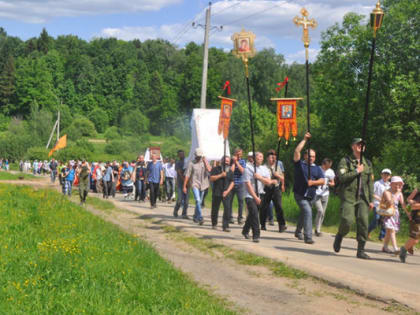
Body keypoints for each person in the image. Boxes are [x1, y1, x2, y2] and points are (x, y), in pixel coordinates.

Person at [333, 138, 374, 259]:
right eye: (358, 144)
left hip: (363, 198)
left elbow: (370, 183)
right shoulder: (345, 161)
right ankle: (340, 235)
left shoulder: (368, 163)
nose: (361, 146)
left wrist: (371, 200)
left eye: (363, 145)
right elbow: (342, 177)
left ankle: (360, 250)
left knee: (363, 223)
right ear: (352, 146)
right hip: (349, 196)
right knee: (347, 220)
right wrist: (357, 171)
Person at [293, 132, 325, 244]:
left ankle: (298, 231)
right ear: (305, 156)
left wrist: (313, 182)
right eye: (310, 156)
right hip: (299, 194)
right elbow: (297, 151)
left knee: (304, 213)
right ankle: (308, 236)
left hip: (311, 195)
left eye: (313, 156)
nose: (311, 158)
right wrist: (305, 140)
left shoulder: (317, 168)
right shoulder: (300, 164)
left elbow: (322, 180)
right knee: (307, 211)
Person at [242, 152, 274, 243]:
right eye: (259, 156)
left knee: (252, 214)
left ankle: (245, 230)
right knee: (255, 214)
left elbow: (269, 182)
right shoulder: (248, 168)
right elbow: (248, 184)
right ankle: (256, 235)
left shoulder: (264, 169)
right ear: (254, 158)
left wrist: (259, 178)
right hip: (250, 195)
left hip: (261, 194)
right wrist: (255, 197)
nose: (261, 158)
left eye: (262, 157)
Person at [259, 149, 287, 233]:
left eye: (274, 157)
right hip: (267, 188)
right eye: (271, 157)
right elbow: (262, 179)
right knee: (264, 206)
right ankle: (262, 224)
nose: (273, 159)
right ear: (267, 158)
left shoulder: (278, 165)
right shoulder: (263, 167)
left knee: (279, 206)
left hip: (276, 188)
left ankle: (281, 225)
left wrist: (278, 176)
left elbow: (282, 177)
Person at [184, 148, 211, 225]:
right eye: (197, 156)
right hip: (195, 184)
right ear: (195, 156)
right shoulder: (191, 163)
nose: (198, 157)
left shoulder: (205, 162)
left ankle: (195, 216)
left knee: (198, 202)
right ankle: (200, 217)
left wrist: (205, 160)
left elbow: (209, 170)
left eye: (200, 156)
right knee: (198, 200)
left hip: (203, 185)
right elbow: (187, 175)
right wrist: (184, 186)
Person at [381, 176, 408, 254]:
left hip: (395, 214)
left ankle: (385, 247)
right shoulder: (387, 192)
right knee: (391, 230)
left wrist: (408, 214)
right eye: (396, 184)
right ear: (391, 184)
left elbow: (403, 205)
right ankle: (396, 248)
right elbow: (390, 203)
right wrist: (396, 194)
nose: (397, 186)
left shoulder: (400, 193)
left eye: (399, 184)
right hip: (388, 213)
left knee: (389, 231)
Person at [210, 156, 235, 231]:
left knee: (227, 209)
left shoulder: (230, 171)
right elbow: (211, 178)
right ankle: (214, 223)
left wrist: (227, 191)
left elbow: (232, 182)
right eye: (225, 161)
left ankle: (225, 226)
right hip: (217, 192)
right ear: (221, 161)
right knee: (215, 209)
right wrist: (221, 175)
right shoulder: (215, 169)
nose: (226, 162)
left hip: (226, 192)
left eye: (228, 161)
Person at [313, 158, 335, 236]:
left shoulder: (331, 172)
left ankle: (317, 229)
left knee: (323, 213)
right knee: (320, 211)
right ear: (323, 164)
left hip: (325, 194)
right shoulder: (317, 169)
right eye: (327, 166)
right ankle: (316, 228)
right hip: (316, 193)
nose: (328, 168)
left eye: (329, 167)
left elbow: (333, 183)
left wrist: (328, 183)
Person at [368, 168, 392, 240]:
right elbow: (372, 193)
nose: (385, 176)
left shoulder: (390, 185)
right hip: (377, 204)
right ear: (381, 175)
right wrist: (380, 199)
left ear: (389, 176)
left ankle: (382, 236)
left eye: (387, 175)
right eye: (384, 174)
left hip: (386, 206)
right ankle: (367, 232)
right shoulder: (377, 183)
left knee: (384, 221)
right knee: (377, 219)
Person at [400, 188, 420, 263]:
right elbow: (411, 205)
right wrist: (412, 203)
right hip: (416, 219)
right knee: (415, 239)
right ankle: (404, 249)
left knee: (416, 240)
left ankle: (408, 246)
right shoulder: (417, 191)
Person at [229, 148, 246, 225]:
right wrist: (233, 162)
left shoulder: (243, 161)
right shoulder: (230, 161)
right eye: (237, 154)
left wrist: (237, 162)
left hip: (240, 183)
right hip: (232, 183)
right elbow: (231, 171)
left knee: (241, 201)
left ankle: (240, 218)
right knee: (230, 201)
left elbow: (242, 171)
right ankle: (230, 217)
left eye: (240, 154)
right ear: (234, 154)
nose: (238, 155)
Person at [173, 150, 189, 219]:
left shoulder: (187, 162)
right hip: (180, 183)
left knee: (186, 201)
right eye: (180, 154)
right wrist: (185, 181)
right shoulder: (178, 163)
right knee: (179, 199)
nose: (182, 155)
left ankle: (184, 214)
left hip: (187, 184)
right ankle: (176, 210)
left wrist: (188, 182)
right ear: (178, 155)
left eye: (183, 154)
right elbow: (179, 173)